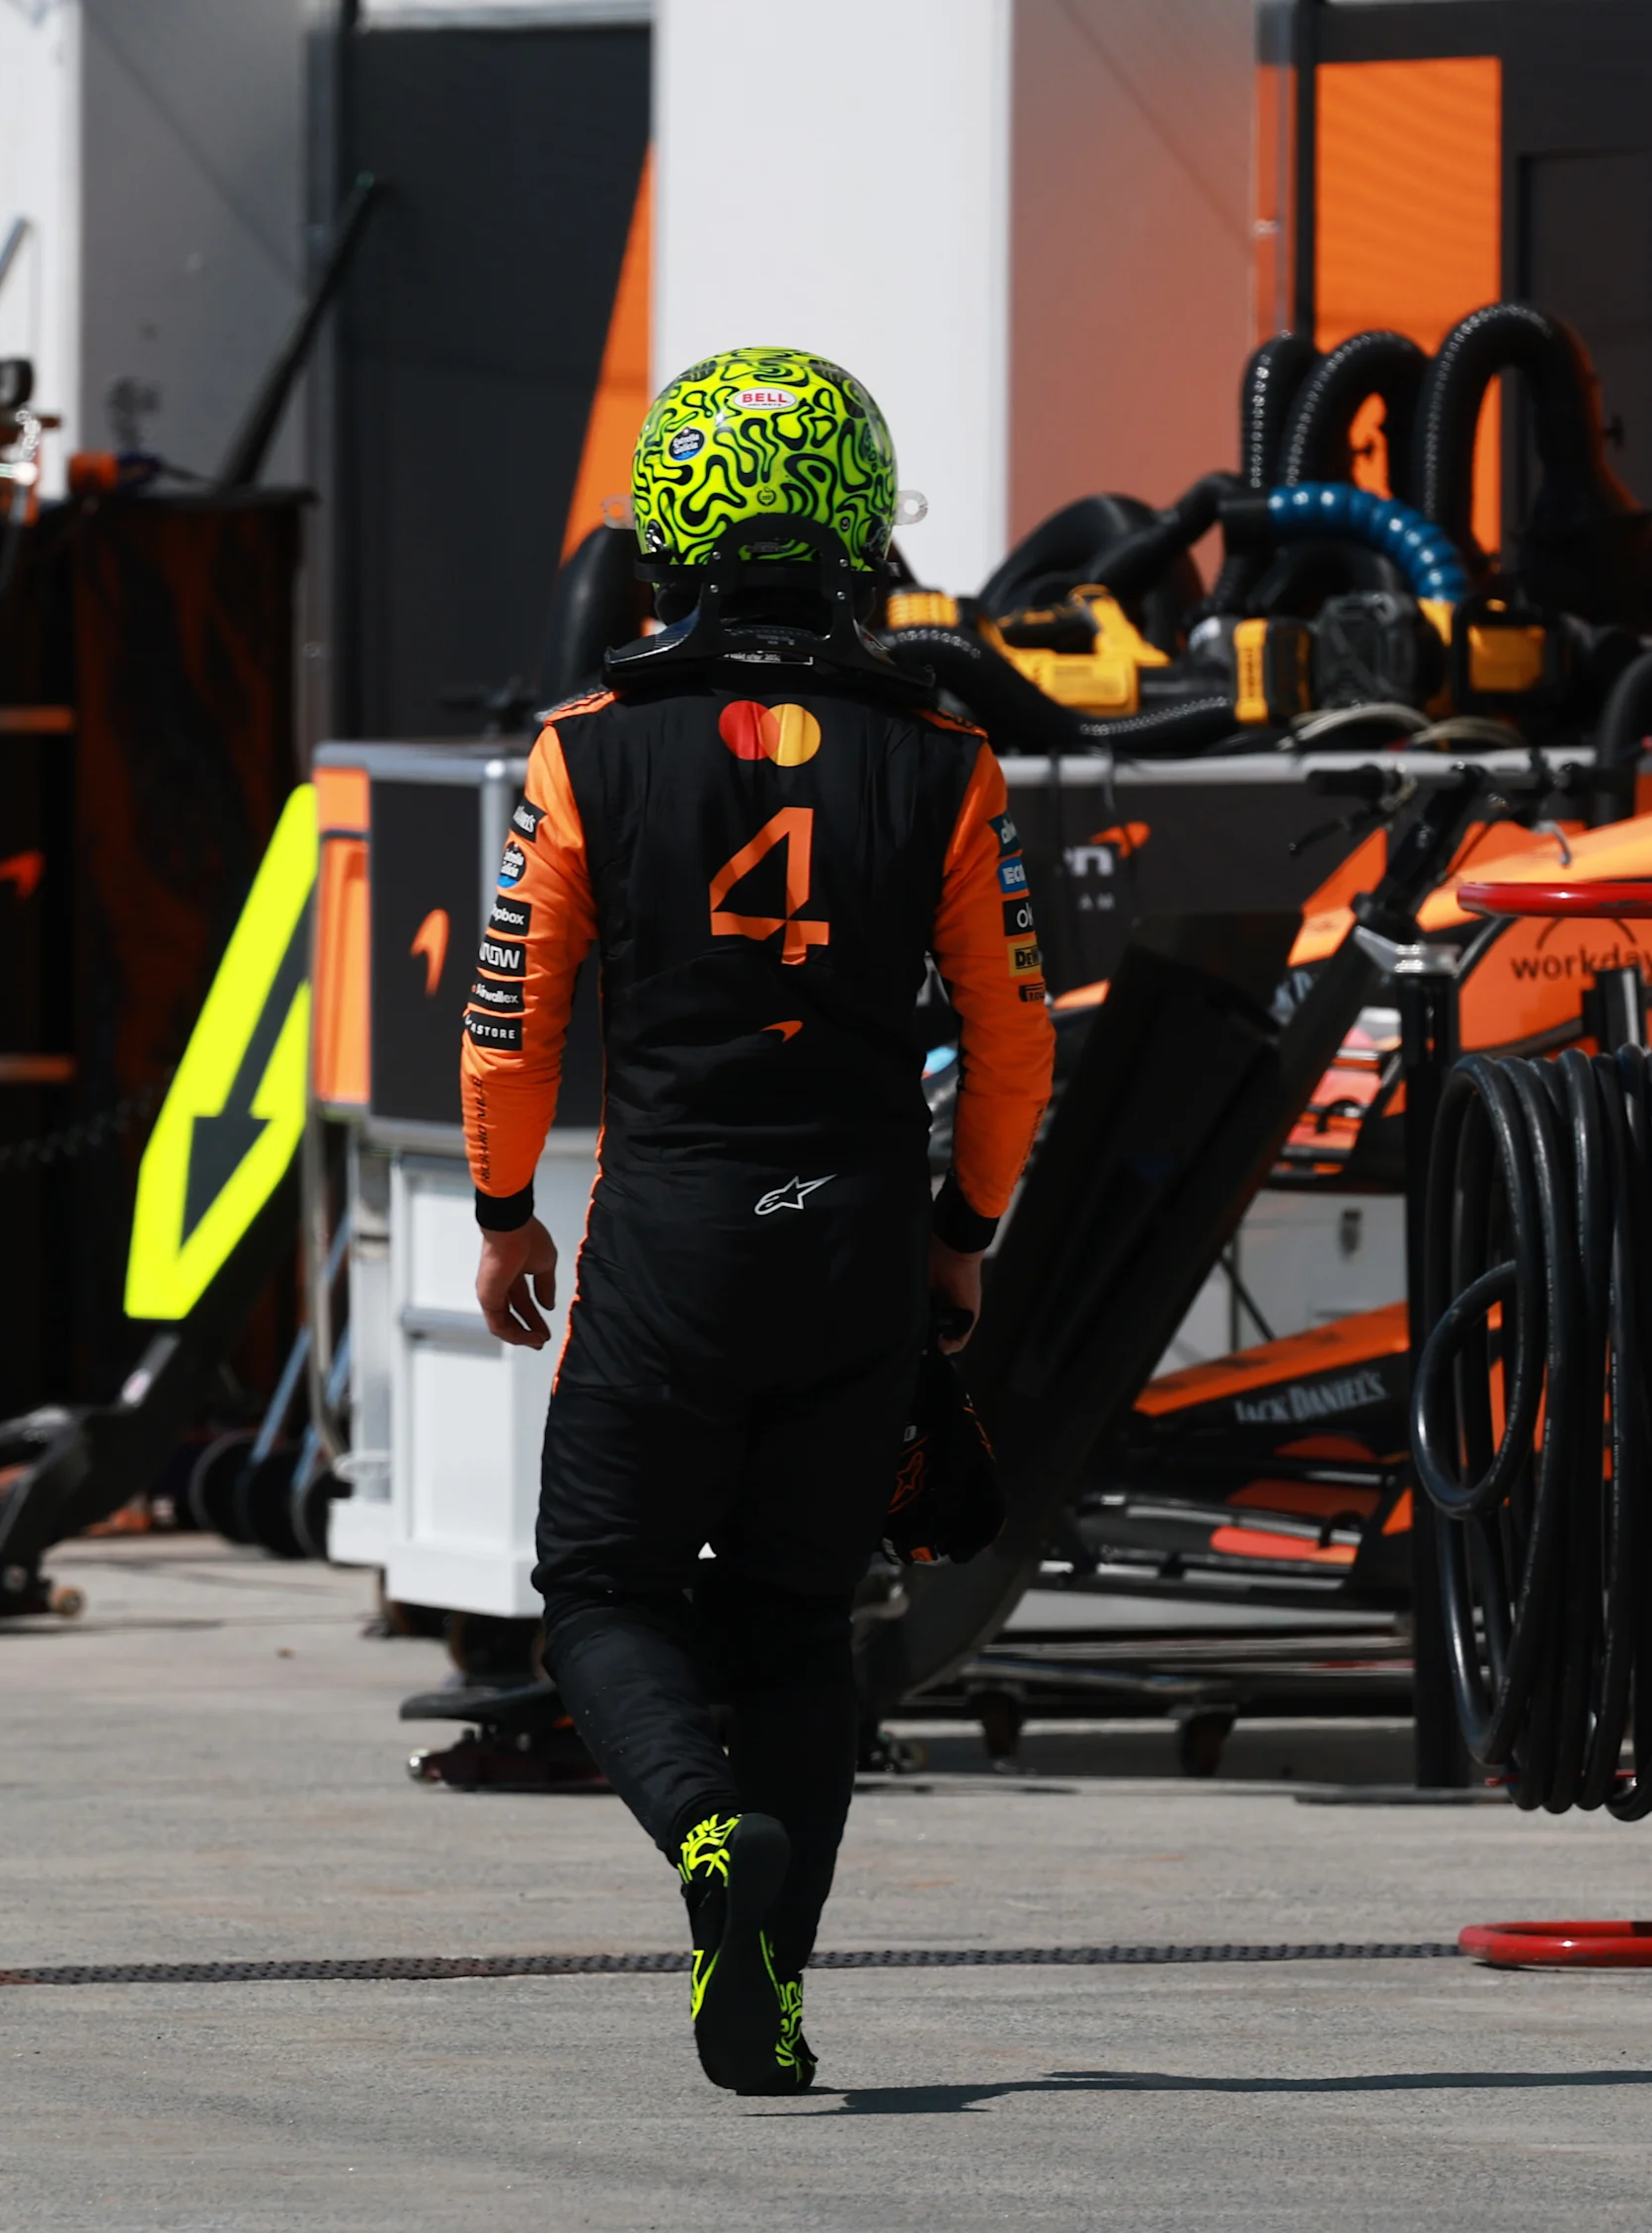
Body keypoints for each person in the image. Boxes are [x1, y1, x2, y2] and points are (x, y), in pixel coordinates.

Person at [459, 347, 1057, 2097]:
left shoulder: (584, 750)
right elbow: (1015, 1039)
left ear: (672, 526)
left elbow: (511, 1019)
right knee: (798, 1618)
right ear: (862, 522)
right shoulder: (943, 752)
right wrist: (961, 1229)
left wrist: (504, 1215)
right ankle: (770, 1994)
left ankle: (709, 1842)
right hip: (861, 1236)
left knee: (602, 1588)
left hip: (674, 1240)